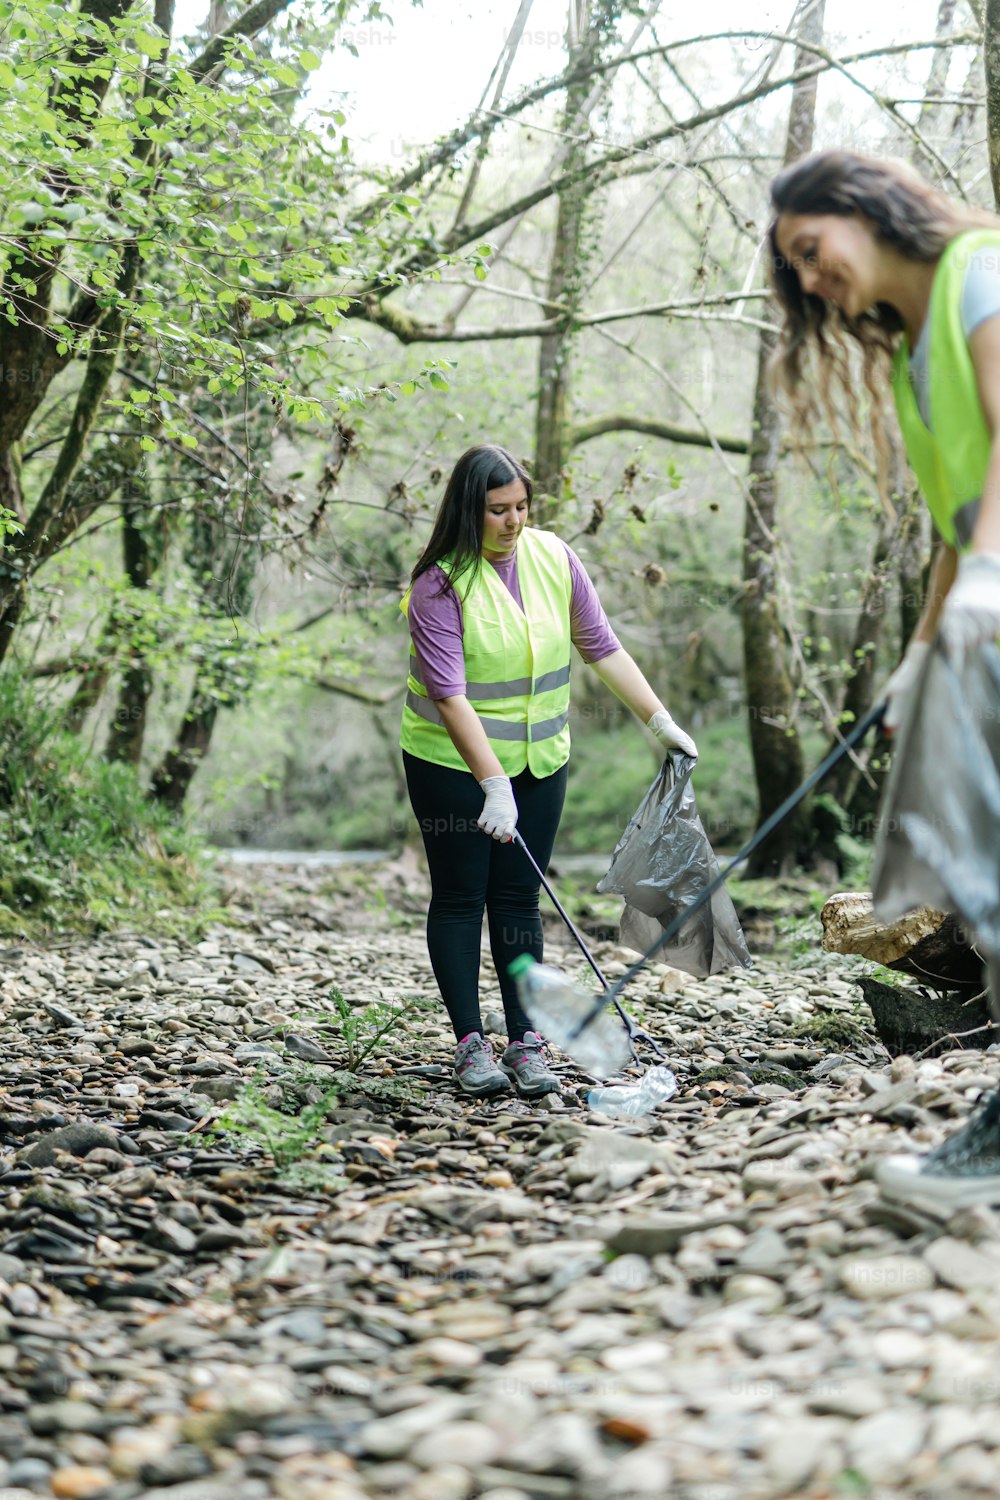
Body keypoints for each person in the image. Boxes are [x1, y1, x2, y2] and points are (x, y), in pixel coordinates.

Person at [769, 150, 1000, 1206]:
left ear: (864, 210)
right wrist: (917, 651)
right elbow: (955, 522)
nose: (812, 282)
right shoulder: (911, 348)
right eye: (797, 272)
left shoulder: (980, 276)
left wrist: (985, 587)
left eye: (813, 252)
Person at [400, 443, 697, 1098]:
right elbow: (449, 696)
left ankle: (524, 1042)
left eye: (522, 507)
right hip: (450, 763)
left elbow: (601, 647)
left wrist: (659, 722)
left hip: (540, 761)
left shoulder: (554, 557)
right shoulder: (439, 585)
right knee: (461, 894)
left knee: (517, 898)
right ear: (468, 512)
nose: (513, 522)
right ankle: (470, 1044)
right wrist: (491, 784)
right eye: (498, 510)